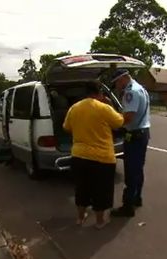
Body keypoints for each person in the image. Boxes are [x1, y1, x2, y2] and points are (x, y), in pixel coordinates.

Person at [63, 81, 124, 229]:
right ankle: (99, 222)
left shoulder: (74, 108)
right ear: (99, 93)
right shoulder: (104, 108)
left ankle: (80, 218)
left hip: (79, 156)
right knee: (101, 191)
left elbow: (66, 127)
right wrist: (110, 105)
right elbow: (119, 123)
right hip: (102, 158)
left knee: (82, 189)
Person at [110, 69, 150, 217]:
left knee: (131, 171)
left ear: (122, 79)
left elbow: (128, 117)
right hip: (143, 132)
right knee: (138, 169)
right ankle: (137, 198)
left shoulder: (130, 92)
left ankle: (128, 206)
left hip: (134, 135)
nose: (116, 87)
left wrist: (113, 124)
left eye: (116, 83)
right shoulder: (141, 88)